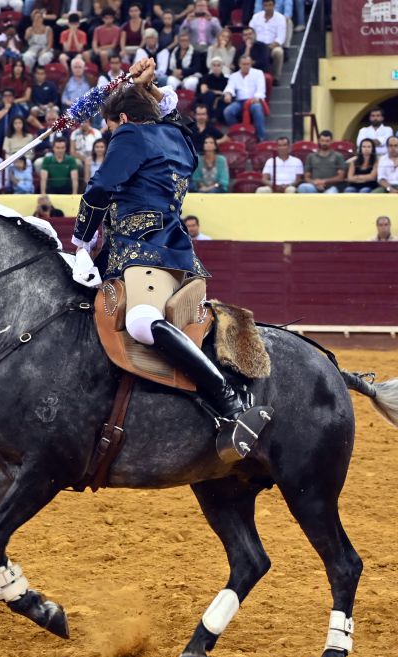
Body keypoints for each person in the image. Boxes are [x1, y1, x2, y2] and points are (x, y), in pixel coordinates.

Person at [70, 58, 270, 461]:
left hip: (144, 251)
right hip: (175, 251)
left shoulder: (129, 135)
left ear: (124, 119)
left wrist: (79, 240)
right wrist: (151, 87)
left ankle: (229, 402)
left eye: (113, 127)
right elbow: (176, 117)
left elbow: (99, 189)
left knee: (142, 323)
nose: (112, 136)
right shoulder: (178, 138)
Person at [222, 55, 266, 141]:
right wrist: (228, 94)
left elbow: (261, 89)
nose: (246, 66)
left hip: (253, 100)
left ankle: (261, 137)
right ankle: (237, 133)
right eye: (244, 64)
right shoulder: (234, 76)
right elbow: (229, 87)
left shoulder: (258, 73)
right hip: (240, 101)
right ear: (239, 64)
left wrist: (257, 97)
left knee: (257, 108)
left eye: (248, 64)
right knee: (228, 111)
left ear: (251, 64)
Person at [297, 130, 345, 194]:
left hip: (331, 187)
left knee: (330, 194)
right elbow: (307, 177)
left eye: (327, 141)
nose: (324, 143)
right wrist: (315, 182)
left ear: (331, 141)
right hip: (314, 186)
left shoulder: (338, 156)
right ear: (319, 141)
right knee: (302, 187)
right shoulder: (311, 156)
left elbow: (340, 177)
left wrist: (324, 181)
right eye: (322, 141)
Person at [248, 0, 285, 80]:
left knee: (278, 52)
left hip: (272, 46)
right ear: (263, 6)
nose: (268, 8)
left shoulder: (280, 18)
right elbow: (250, 31)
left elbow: (280, 38)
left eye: (270, 5)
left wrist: (268, 48)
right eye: (266, 5)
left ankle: (275, 77)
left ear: (274, 5)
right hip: (257, 45)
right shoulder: (256, 17)